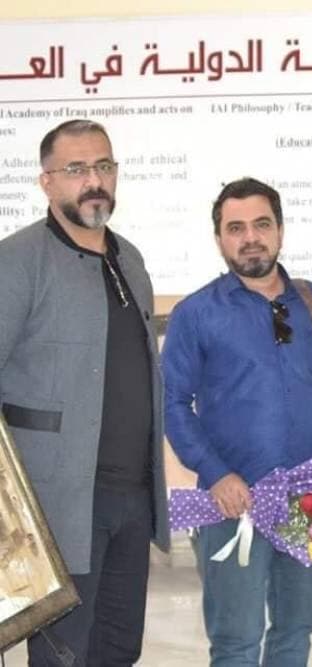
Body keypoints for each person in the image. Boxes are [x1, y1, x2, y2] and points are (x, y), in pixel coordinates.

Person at [162, 177, 312, 666]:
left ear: (280, 230)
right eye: (236, 228)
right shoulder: (196, 313)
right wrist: (216, 474)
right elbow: (172, 404)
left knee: (296, 630)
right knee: (235, 640)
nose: (250, 237)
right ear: (219, 239)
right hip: (232, 501)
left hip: (311, 500)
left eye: (261, 224)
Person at [0, 119, 169, 666]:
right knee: (63, 655)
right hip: (57, 507)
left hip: (132, 500)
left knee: (118, 650)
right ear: (47, 182)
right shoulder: (16, 262)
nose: (93, 180)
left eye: (103, 166)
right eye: (76, 169)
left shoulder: (131, 259)